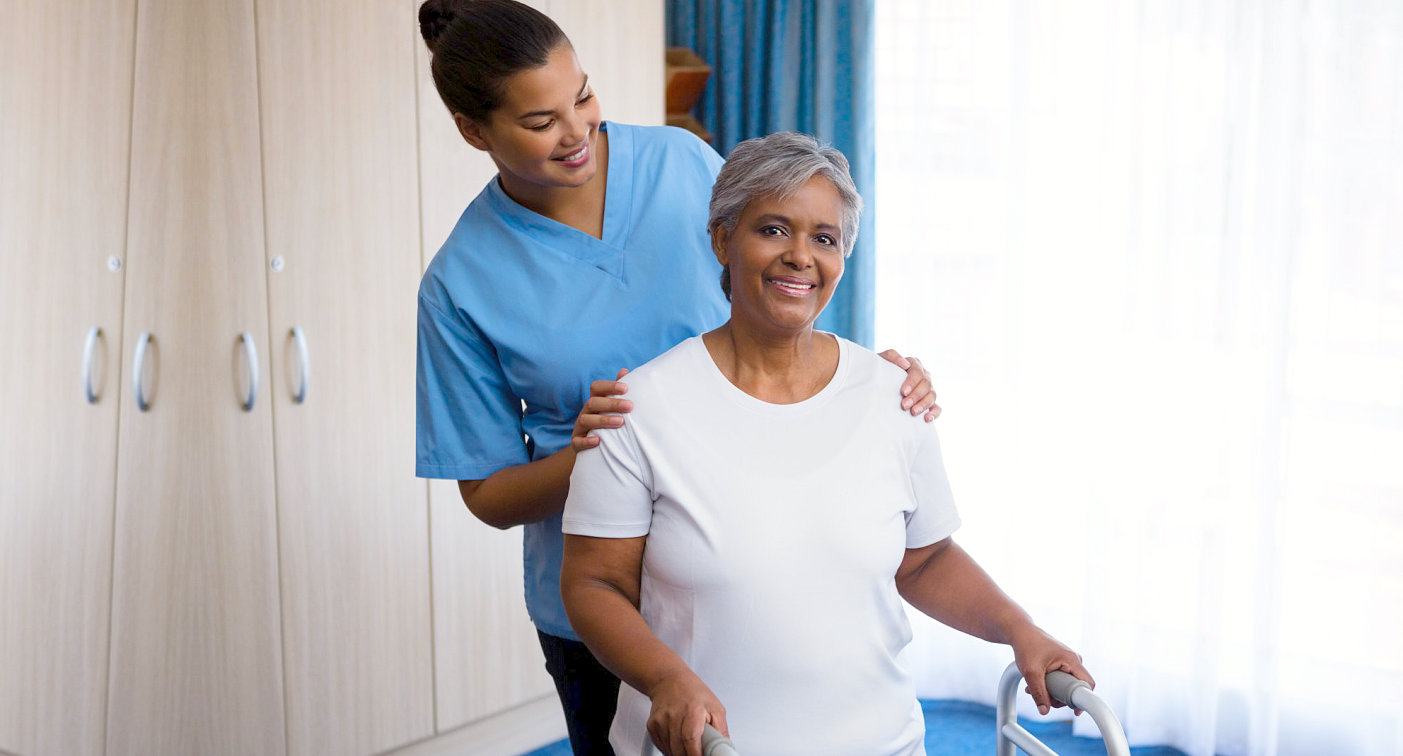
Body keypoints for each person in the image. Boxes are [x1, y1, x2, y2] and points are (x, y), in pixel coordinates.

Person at [414, 2, 941, 753]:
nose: (578, 133)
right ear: (475, 131)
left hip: (751, 558)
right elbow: (488, 496)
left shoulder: (681, 163)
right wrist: (601, 454)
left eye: (584, 96)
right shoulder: (460, 281)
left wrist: (860, 378)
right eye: (540, 122)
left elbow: (779, 280)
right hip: (606, 596)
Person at [559, 132, 1093, 756]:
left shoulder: (895, 397)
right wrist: (666, 677)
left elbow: (923, 559)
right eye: (773, 229)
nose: (799, 257)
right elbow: (593, 586)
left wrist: (1019, 629)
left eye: (824, 238)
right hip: (709, 747)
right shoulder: (639, 408)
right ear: (723, 239)